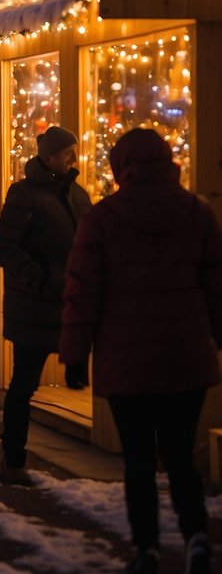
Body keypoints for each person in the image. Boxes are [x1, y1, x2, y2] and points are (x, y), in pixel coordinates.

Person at [61, 128, 220, 574]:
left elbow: (82, 291)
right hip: (186, 357)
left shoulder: (104, 217)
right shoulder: (197, 212)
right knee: (180, 456)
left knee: (138, 460)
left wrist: (75, 354)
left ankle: (147, 549)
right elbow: (216, 286)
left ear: (121, 166)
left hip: (125, 357)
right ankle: (197, 539)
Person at [0, 126, 89, 486]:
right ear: (48, 157)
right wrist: (38, 278)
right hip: (35, 307)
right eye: (67, 153)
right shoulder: (25, 194)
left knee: (77, 377)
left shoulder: (77, 193)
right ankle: (14, 457)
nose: (74, 159)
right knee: (24, 385)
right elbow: (1, 245)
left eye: (74, 152)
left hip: (71, 305)